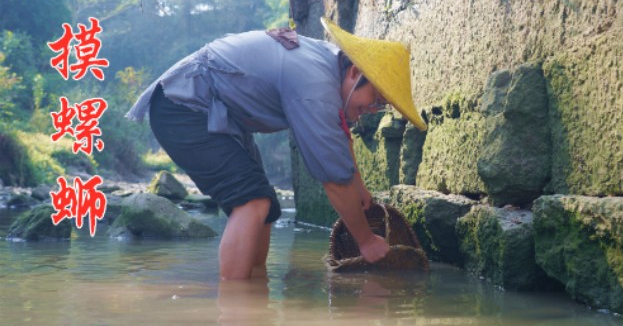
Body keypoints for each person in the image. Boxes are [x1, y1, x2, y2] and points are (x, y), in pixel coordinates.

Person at [126, 17, 428, 280]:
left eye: (380, 107)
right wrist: (365, 241)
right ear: (354, 73)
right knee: (252, 201)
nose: (372, 109)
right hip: (184, 107)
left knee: (267, 207)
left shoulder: (328, 68)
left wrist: (359, 186)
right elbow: (334, 178)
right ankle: (235, 304)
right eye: (374, 99)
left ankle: (254, 285)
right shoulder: (316, 86)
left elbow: (340, 136)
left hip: (218, 116)